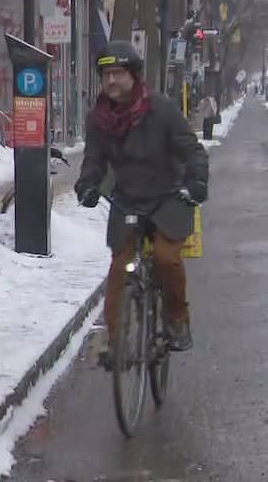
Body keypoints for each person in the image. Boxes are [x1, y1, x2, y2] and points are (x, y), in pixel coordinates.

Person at [74, 40, 209, 362]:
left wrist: (196, 182)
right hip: (128, 200)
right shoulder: (99, 119)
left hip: (169, 196)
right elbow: (93, 160)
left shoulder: (160, 109)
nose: (111, 81)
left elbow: (192, 150)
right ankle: (114, 340)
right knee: (120, 266)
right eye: (106, 74)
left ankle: (176, 319)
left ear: (134, 75)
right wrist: (88, 185)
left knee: (165, 257)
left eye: (118, 73)